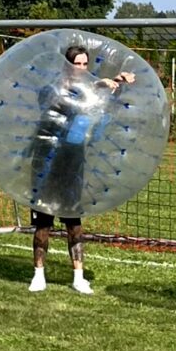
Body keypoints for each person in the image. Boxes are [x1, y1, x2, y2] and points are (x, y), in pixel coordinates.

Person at [26, 38, 132, 295]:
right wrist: (98, 83)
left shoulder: (90, 90)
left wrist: (117, 83)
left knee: (74, 223)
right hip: (47, 161)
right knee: (44, 223)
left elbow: (100, 105)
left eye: (86, 64)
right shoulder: (52, 89)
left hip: (73, 162)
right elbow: (65, 101)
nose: (82, 68)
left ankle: (78, 276)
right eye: (77, 63)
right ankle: (38, 274)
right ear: (67, 65)